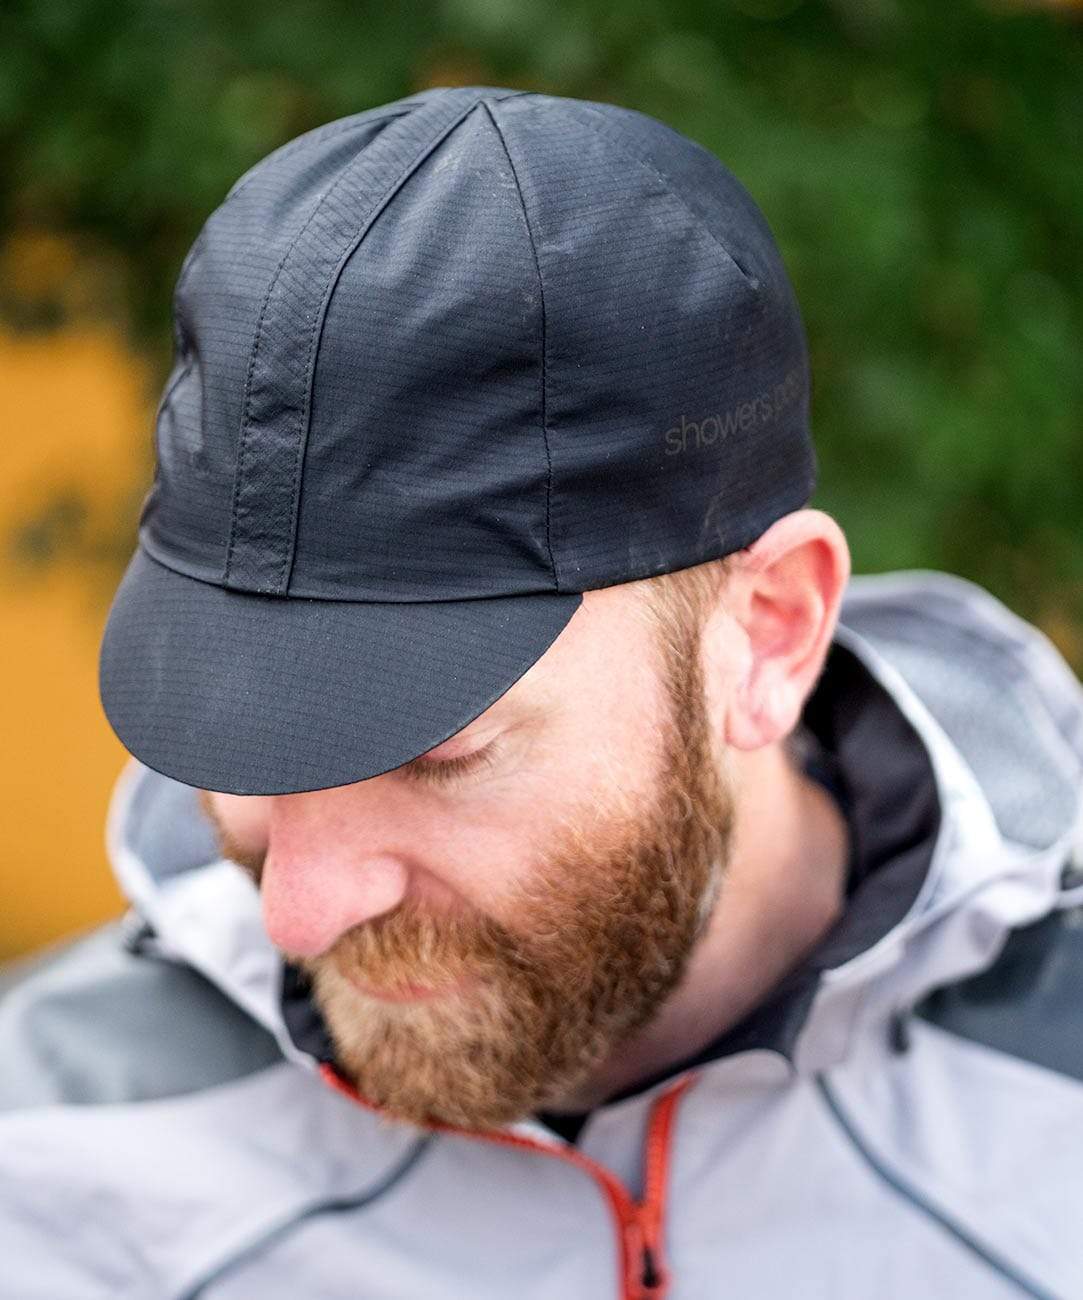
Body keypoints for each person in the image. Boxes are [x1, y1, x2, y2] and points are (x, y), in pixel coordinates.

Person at [2, 84, 1081, 1300]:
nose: (300, 918)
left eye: (440, 753)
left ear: (770, 635)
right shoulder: (43, 1165)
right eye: (245, 738)